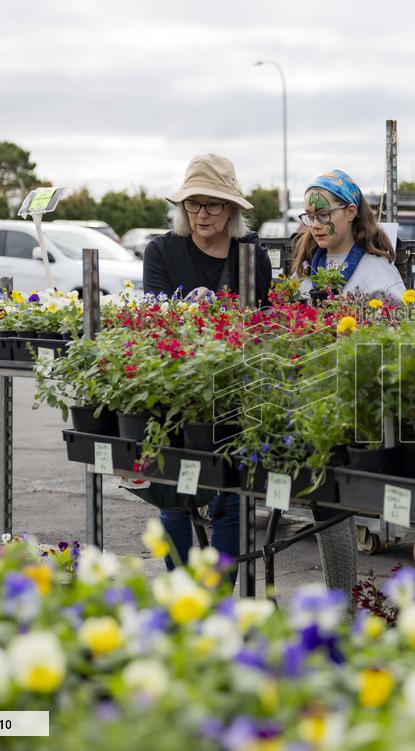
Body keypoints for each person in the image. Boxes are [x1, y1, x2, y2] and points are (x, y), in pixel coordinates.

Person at [140, 153, 272, 572]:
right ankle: (181, 594)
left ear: (231, 209)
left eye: (213, 204)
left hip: (234, 392)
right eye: (192, 204)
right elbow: (156, 321)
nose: (201, 214)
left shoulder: (252, 255)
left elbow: (259, 328)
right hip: (177, 390)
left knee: (231, 498)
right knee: (174, 498)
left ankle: (218, 602)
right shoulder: (161, 250)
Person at [291, 169, 406, 303]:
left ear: (350, 212)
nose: (315, 225)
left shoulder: (379, 273)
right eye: (310, 216)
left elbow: (405, 319)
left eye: (323, 214)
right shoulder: (304, 270)